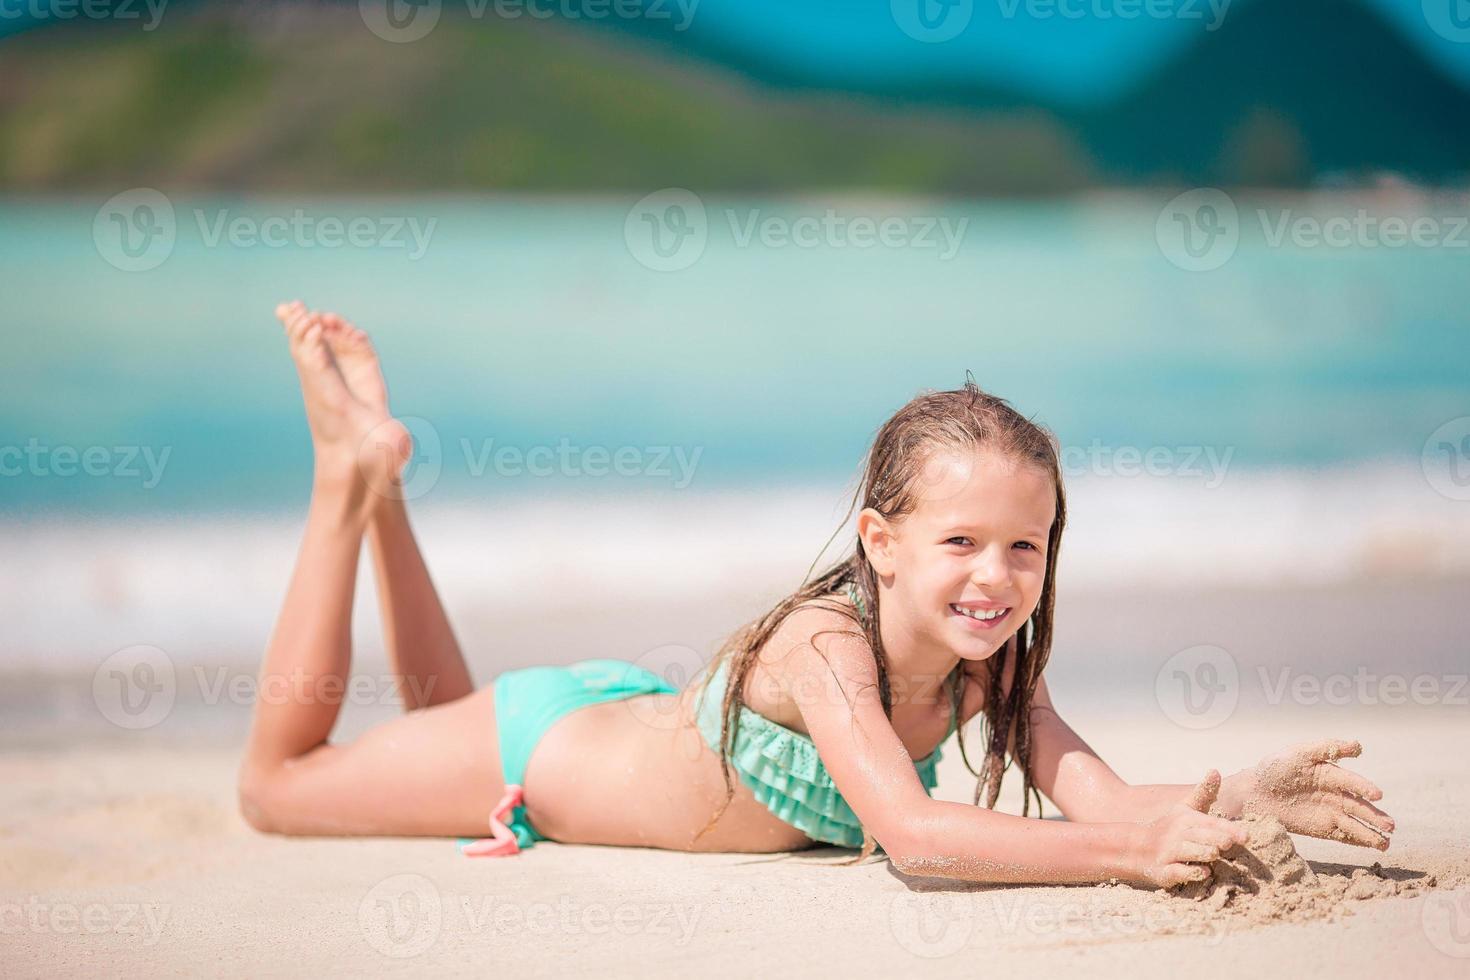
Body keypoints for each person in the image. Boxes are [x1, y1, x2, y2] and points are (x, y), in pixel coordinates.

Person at [238, 301, 1395, 887]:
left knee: (431, 710)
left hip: (618, 715)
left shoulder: (986, 658)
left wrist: (1232, 792)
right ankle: (347, 479)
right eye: (961, 541)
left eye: (1024, 547)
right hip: (544, 741)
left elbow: (1089, 791)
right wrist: (1134, 859)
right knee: (279, 784)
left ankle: (381, 488)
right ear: (881, 541)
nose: (995, 577)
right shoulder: (824, 645)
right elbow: (917, 835)